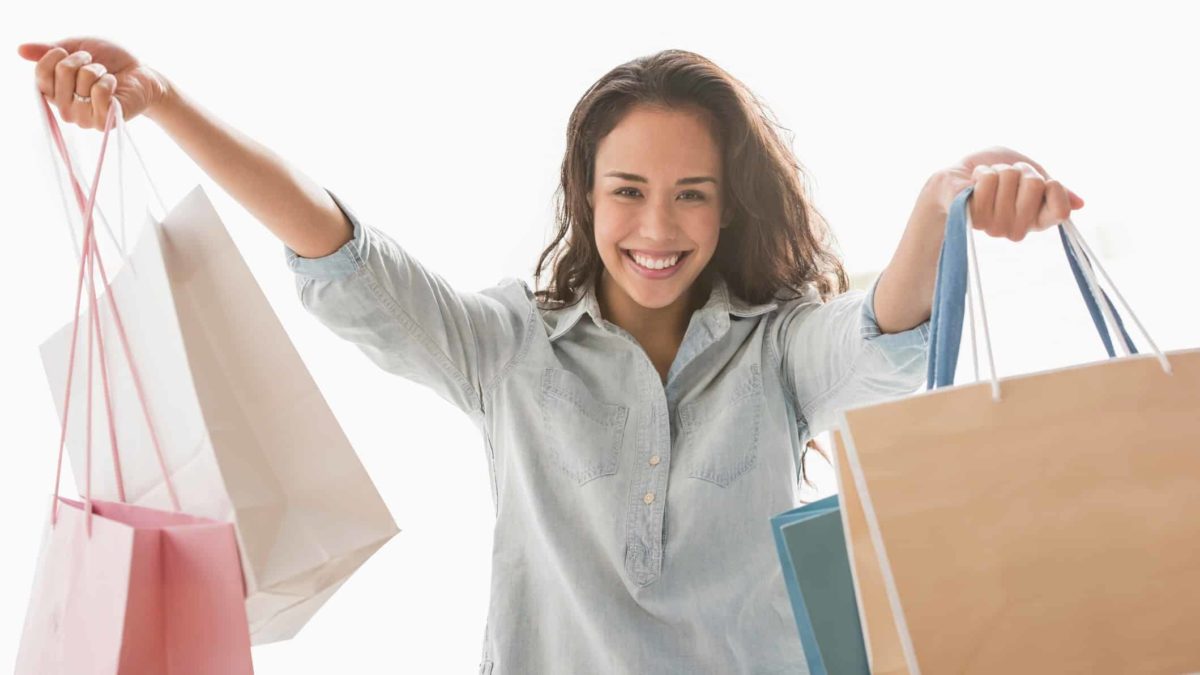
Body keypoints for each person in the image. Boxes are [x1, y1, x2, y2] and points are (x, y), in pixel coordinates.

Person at [18, 37, 1084, 674]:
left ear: (728, 207)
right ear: (585, 194)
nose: (656, 227)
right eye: (627, 190)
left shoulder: (780, 353)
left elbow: (882, 336)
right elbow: (342, 254)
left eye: (692, 194)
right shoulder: (507, 346)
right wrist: (161, 102)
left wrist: (943, 203)